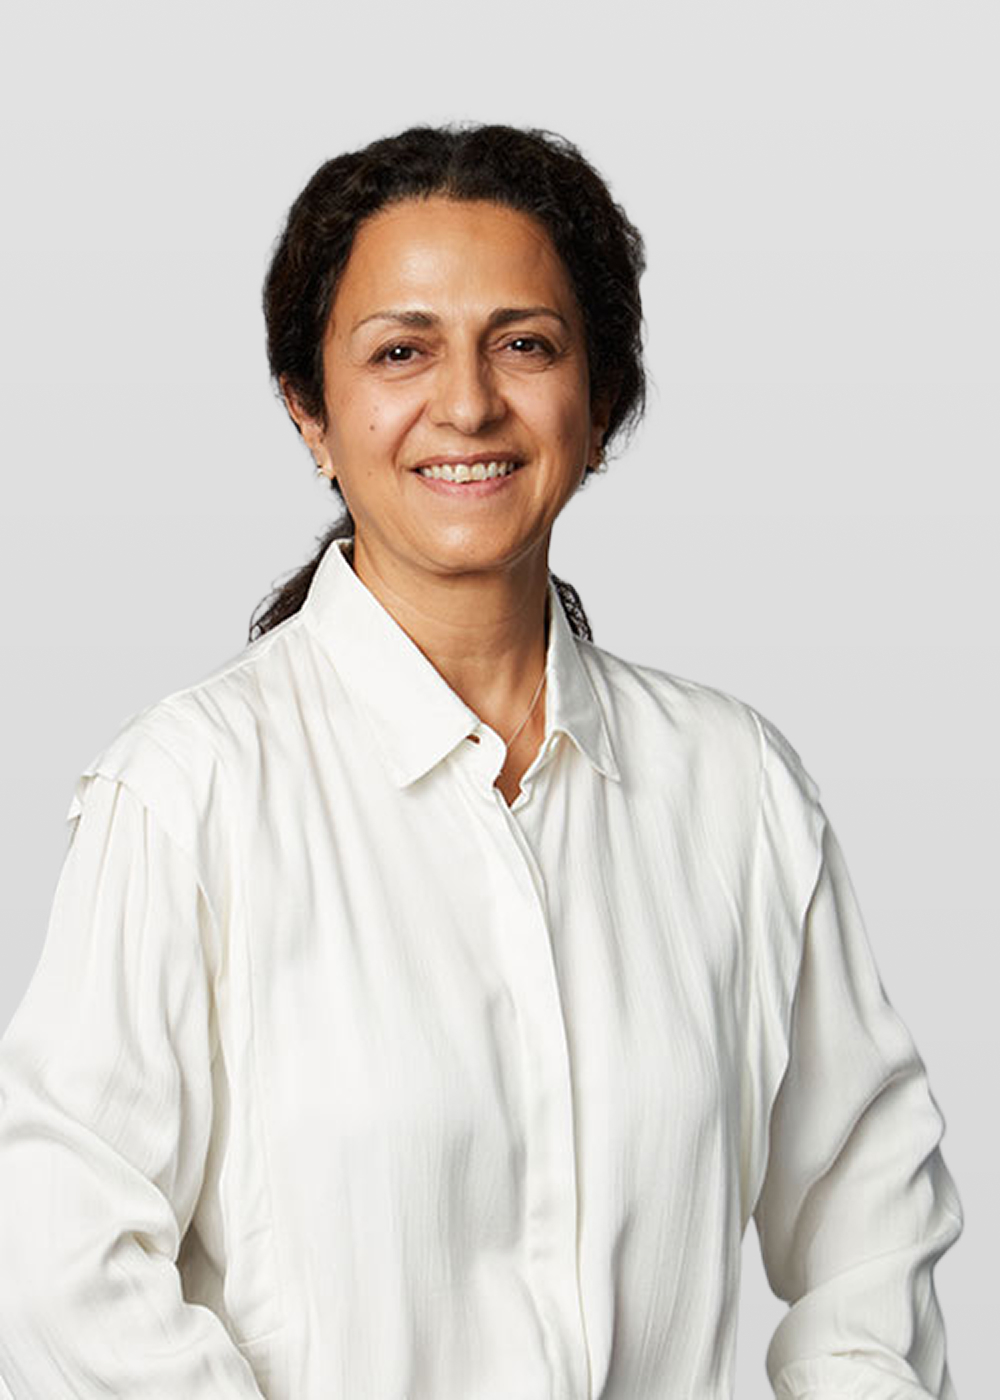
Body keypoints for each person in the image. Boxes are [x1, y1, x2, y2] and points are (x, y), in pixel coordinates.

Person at [0, 122, 961, 1399]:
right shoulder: (188, 794)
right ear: (309, 412)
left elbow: (870, 1214)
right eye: (401, 350)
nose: (466, 403)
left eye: (525, 344)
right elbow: (61, 1265)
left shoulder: (735, 790)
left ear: (598, 403)